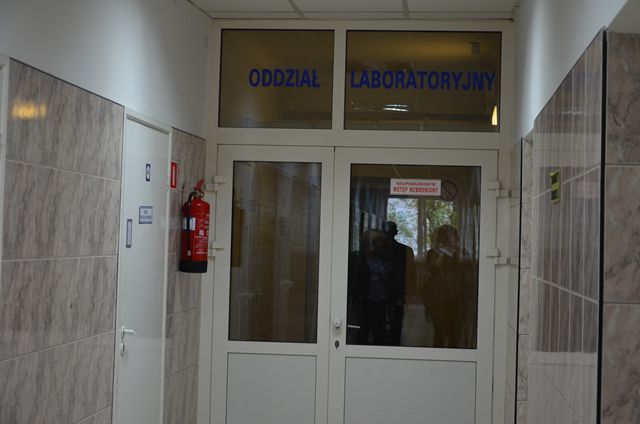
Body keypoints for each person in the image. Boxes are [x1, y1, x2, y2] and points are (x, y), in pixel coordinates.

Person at [423, 224, 464, 348]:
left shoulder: (457, 252)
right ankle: (438, 352)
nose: (448, 239)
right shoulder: (433, 252)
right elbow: (433, 266)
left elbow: (461, 262)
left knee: (453, 327)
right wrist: (441, 251)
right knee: (439, 328)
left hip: (454, 294)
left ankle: (453, 352)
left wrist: (454, 249)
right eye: (445, 236)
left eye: (451, 237)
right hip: (438, 295)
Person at [382, 221, 416, 346]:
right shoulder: (405, 250)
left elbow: (410, 273)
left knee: (393, 318)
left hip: (390, 290)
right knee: (395, 319)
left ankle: (390, 341)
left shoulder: (380, 250)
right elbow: (411, 274)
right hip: (389, 290)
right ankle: (393, 341)